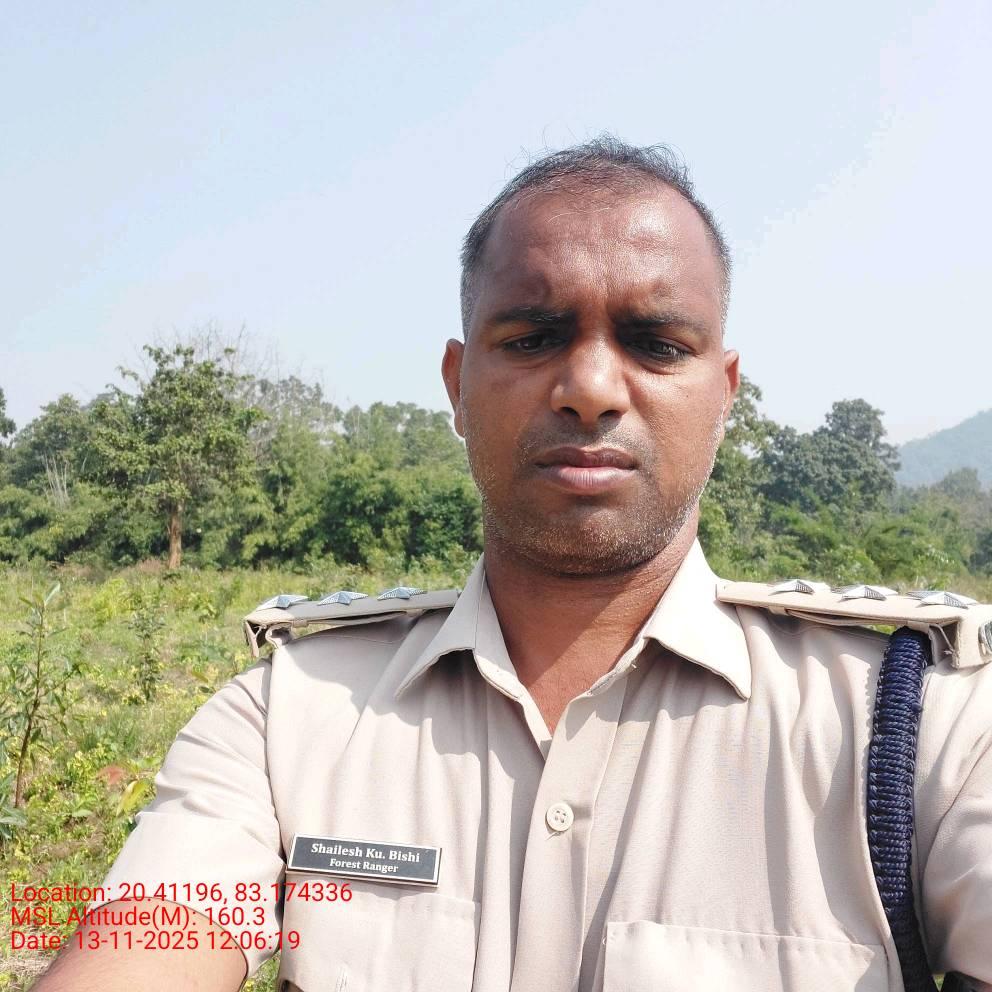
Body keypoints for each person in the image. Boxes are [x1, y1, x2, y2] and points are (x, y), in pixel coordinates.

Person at [36, 137, 992, 992]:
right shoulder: (287, 721)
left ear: (724, 394)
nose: (590, 389)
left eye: (657, 344)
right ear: (458, 386)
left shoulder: (924, 733)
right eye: (533, 339)